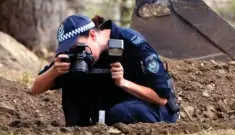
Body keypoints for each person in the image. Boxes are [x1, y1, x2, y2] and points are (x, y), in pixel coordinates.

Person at [30, 14, 180, 126]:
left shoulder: (132, 43)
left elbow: (161, 98)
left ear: (93, 35)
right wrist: (54, 71)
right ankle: (78, 126)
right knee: (74, 74)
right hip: (109, 109)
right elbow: (35, 89)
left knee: (119, 113)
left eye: (79, 48)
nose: (77, 53)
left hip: (150, 107)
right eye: (70, 50)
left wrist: (123, 82)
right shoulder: (75, 55)